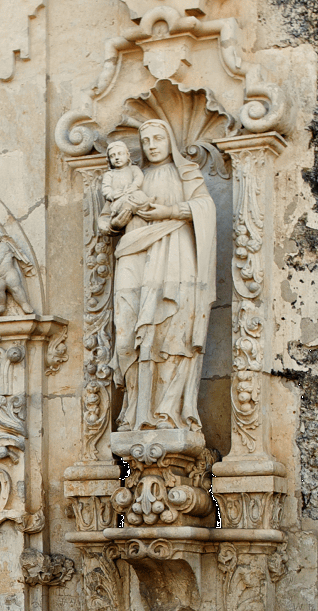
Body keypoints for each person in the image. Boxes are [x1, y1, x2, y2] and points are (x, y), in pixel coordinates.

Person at [109, 118, 216, 434]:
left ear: (170, 140)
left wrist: (169, 212)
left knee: (172, 331)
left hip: (175, 250)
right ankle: (133, 410)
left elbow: (205, 207)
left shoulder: (186, 173)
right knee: (127, 332)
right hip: (133, 252)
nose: (152, 145)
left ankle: (167, 412)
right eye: (146, 141)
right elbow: (109, 219)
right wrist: (118, 217)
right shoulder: (133, 177)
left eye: (158, 138)